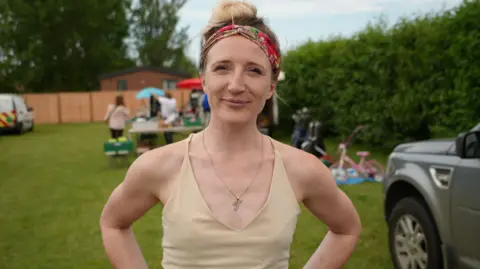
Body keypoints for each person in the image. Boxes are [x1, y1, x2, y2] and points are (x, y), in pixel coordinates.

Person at [99, 1, 361, 268]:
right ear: (204, 79)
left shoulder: (302, 169)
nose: (236, 85)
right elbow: (113, 223)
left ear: (271, 86)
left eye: (254, 70)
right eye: (222, 67)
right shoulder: (160, 166)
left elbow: (347, 228)